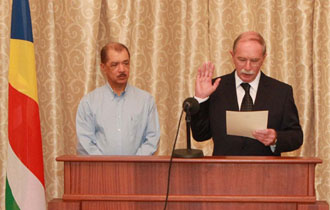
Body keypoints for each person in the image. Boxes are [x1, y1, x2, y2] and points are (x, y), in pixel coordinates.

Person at [191, 31, 303, 156]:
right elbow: (200, 135)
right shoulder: (215, 88)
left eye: (254, 60)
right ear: (232, 56)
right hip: (223, 171)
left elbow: (296, 136)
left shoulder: (281, 91)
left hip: (267, 172)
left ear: (264, 58)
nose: (248, 67)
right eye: (242, 59)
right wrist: (201, 99)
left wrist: (275, 138)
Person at [76, 42, 160, 155]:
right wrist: (107, 167)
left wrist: (132, 166)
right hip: (100, 171)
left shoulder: (146, 101)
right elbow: (85, 143)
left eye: (126, 63)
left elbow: (152, 139)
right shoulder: (89, 102)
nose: (122, 69)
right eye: (115, 65)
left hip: (137, 170)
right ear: (103, 67)